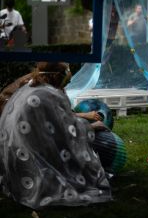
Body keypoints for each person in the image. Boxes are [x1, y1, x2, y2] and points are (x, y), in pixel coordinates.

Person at [0, 62, 112, 209]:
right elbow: (65, 132)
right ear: (57, 77)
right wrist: (91, 127)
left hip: (12, 157)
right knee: (76, 163)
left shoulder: (30, 86)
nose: (67, 84)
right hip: (29, 155)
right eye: (67, 80)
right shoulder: (49, 94)